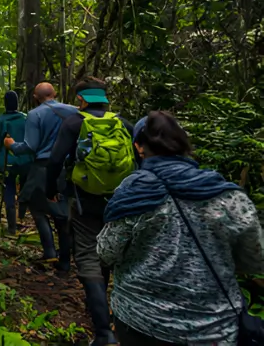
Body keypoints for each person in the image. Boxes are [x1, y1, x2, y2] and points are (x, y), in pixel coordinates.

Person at [98, 111, 264, 345]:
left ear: (138, 147)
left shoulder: (134, 192)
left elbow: (107, 252)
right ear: (183, 144)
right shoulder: (227, 194)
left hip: (141, 319)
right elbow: (254, 259)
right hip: (215, 327)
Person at [45, 77, 136, 346]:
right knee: (109, 251)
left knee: (87, 254)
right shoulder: (123, 123)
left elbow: (55, 159)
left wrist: (52, 188)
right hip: (120, 202)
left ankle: (102, 331)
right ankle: (107, 309)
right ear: (105, 99)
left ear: (82, 100)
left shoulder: (74, 123)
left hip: (84, 201)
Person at [4, 82, 78, 271]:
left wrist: (11, 145)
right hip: (69, 168)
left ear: (35, 97)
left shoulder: (35, 114)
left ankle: (50, 252)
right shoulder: (74, 111)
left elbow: (30, 146)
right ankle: (64, 261)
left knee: (37, 209)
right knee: (63, 214)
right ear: (55, 93)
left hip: (44, 167)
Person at [0, 91, 31, 234]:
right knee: (24, 187)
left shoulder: (1, 121)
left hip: (8, 161)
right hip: (26, 160)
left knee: (9, 189)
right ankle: (22, 215)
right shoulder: (26, 118)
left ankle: (12, 225)